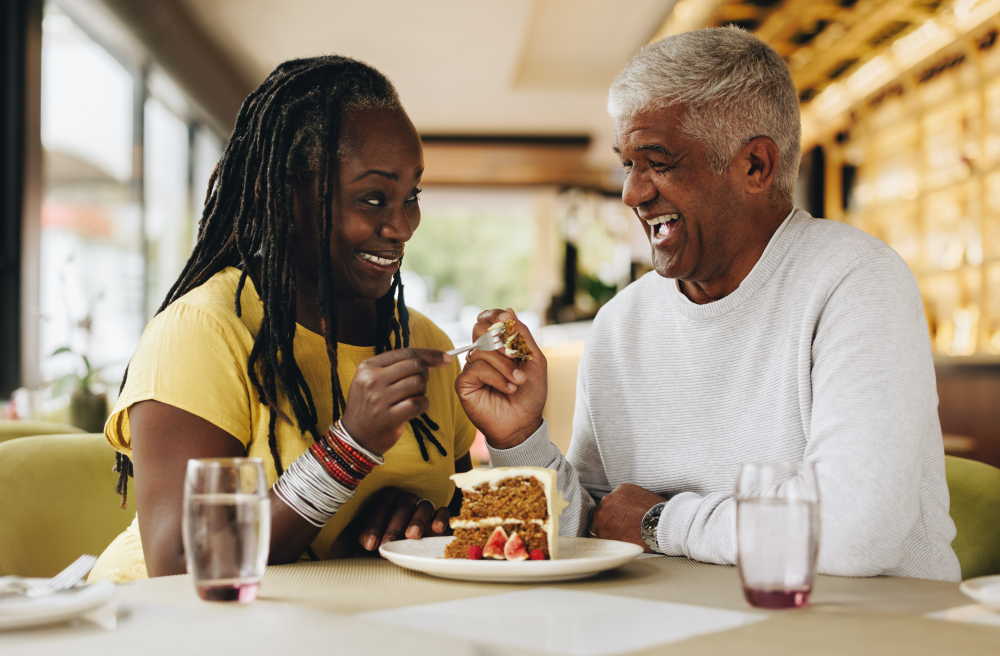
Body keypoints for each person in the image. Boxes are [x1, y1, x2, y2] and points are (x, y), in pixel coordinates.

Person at [456, 27, 961, 582]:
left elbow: (851, 534)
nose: (632, 193)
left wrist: (660, 522)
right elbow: (593, 527)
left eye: (659, 161)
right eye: (628, 164)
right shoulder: (621, 325)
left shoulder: (856, 282)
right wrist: (517, 440)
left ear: (755, 167)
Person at [89, 56, 476, 583]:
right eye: (373, 198)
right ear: (289, 195)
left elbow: (465, 523)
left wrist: (423, 522)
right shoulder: (204, 331)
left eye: (411, 196)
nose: (403, 225)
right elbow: (181, 564)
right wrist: (350, 448)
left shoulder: (424, 342)